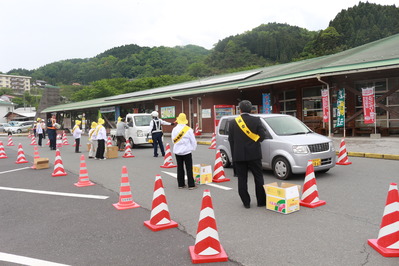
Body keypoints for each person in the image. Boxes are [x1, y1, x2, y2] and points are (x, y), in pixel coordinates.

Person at [228, 100, 268, 208]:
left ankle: (246, 203)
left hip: (239, 155)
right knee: (258, 177)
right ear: (251, 110)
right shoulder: (256, 120)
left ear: (239, 109)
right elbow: (262, 137)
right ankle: (261, 202)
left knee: (242, 179)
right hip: (254, 154)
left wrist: (234, 154)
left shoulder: (232, 122)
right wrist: (254, 141)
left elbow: (230, 140)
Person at [171, 113, 197, 190]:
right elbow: (193, 141)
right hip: (187, 151)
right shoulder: (188, 129)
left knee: (180, 167)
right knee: (189, 168)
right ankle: (191, 185)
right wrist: (192, 148)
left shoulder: (174, 129)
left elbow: (173, 141)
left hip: (177, 151)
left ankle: (181, 184)